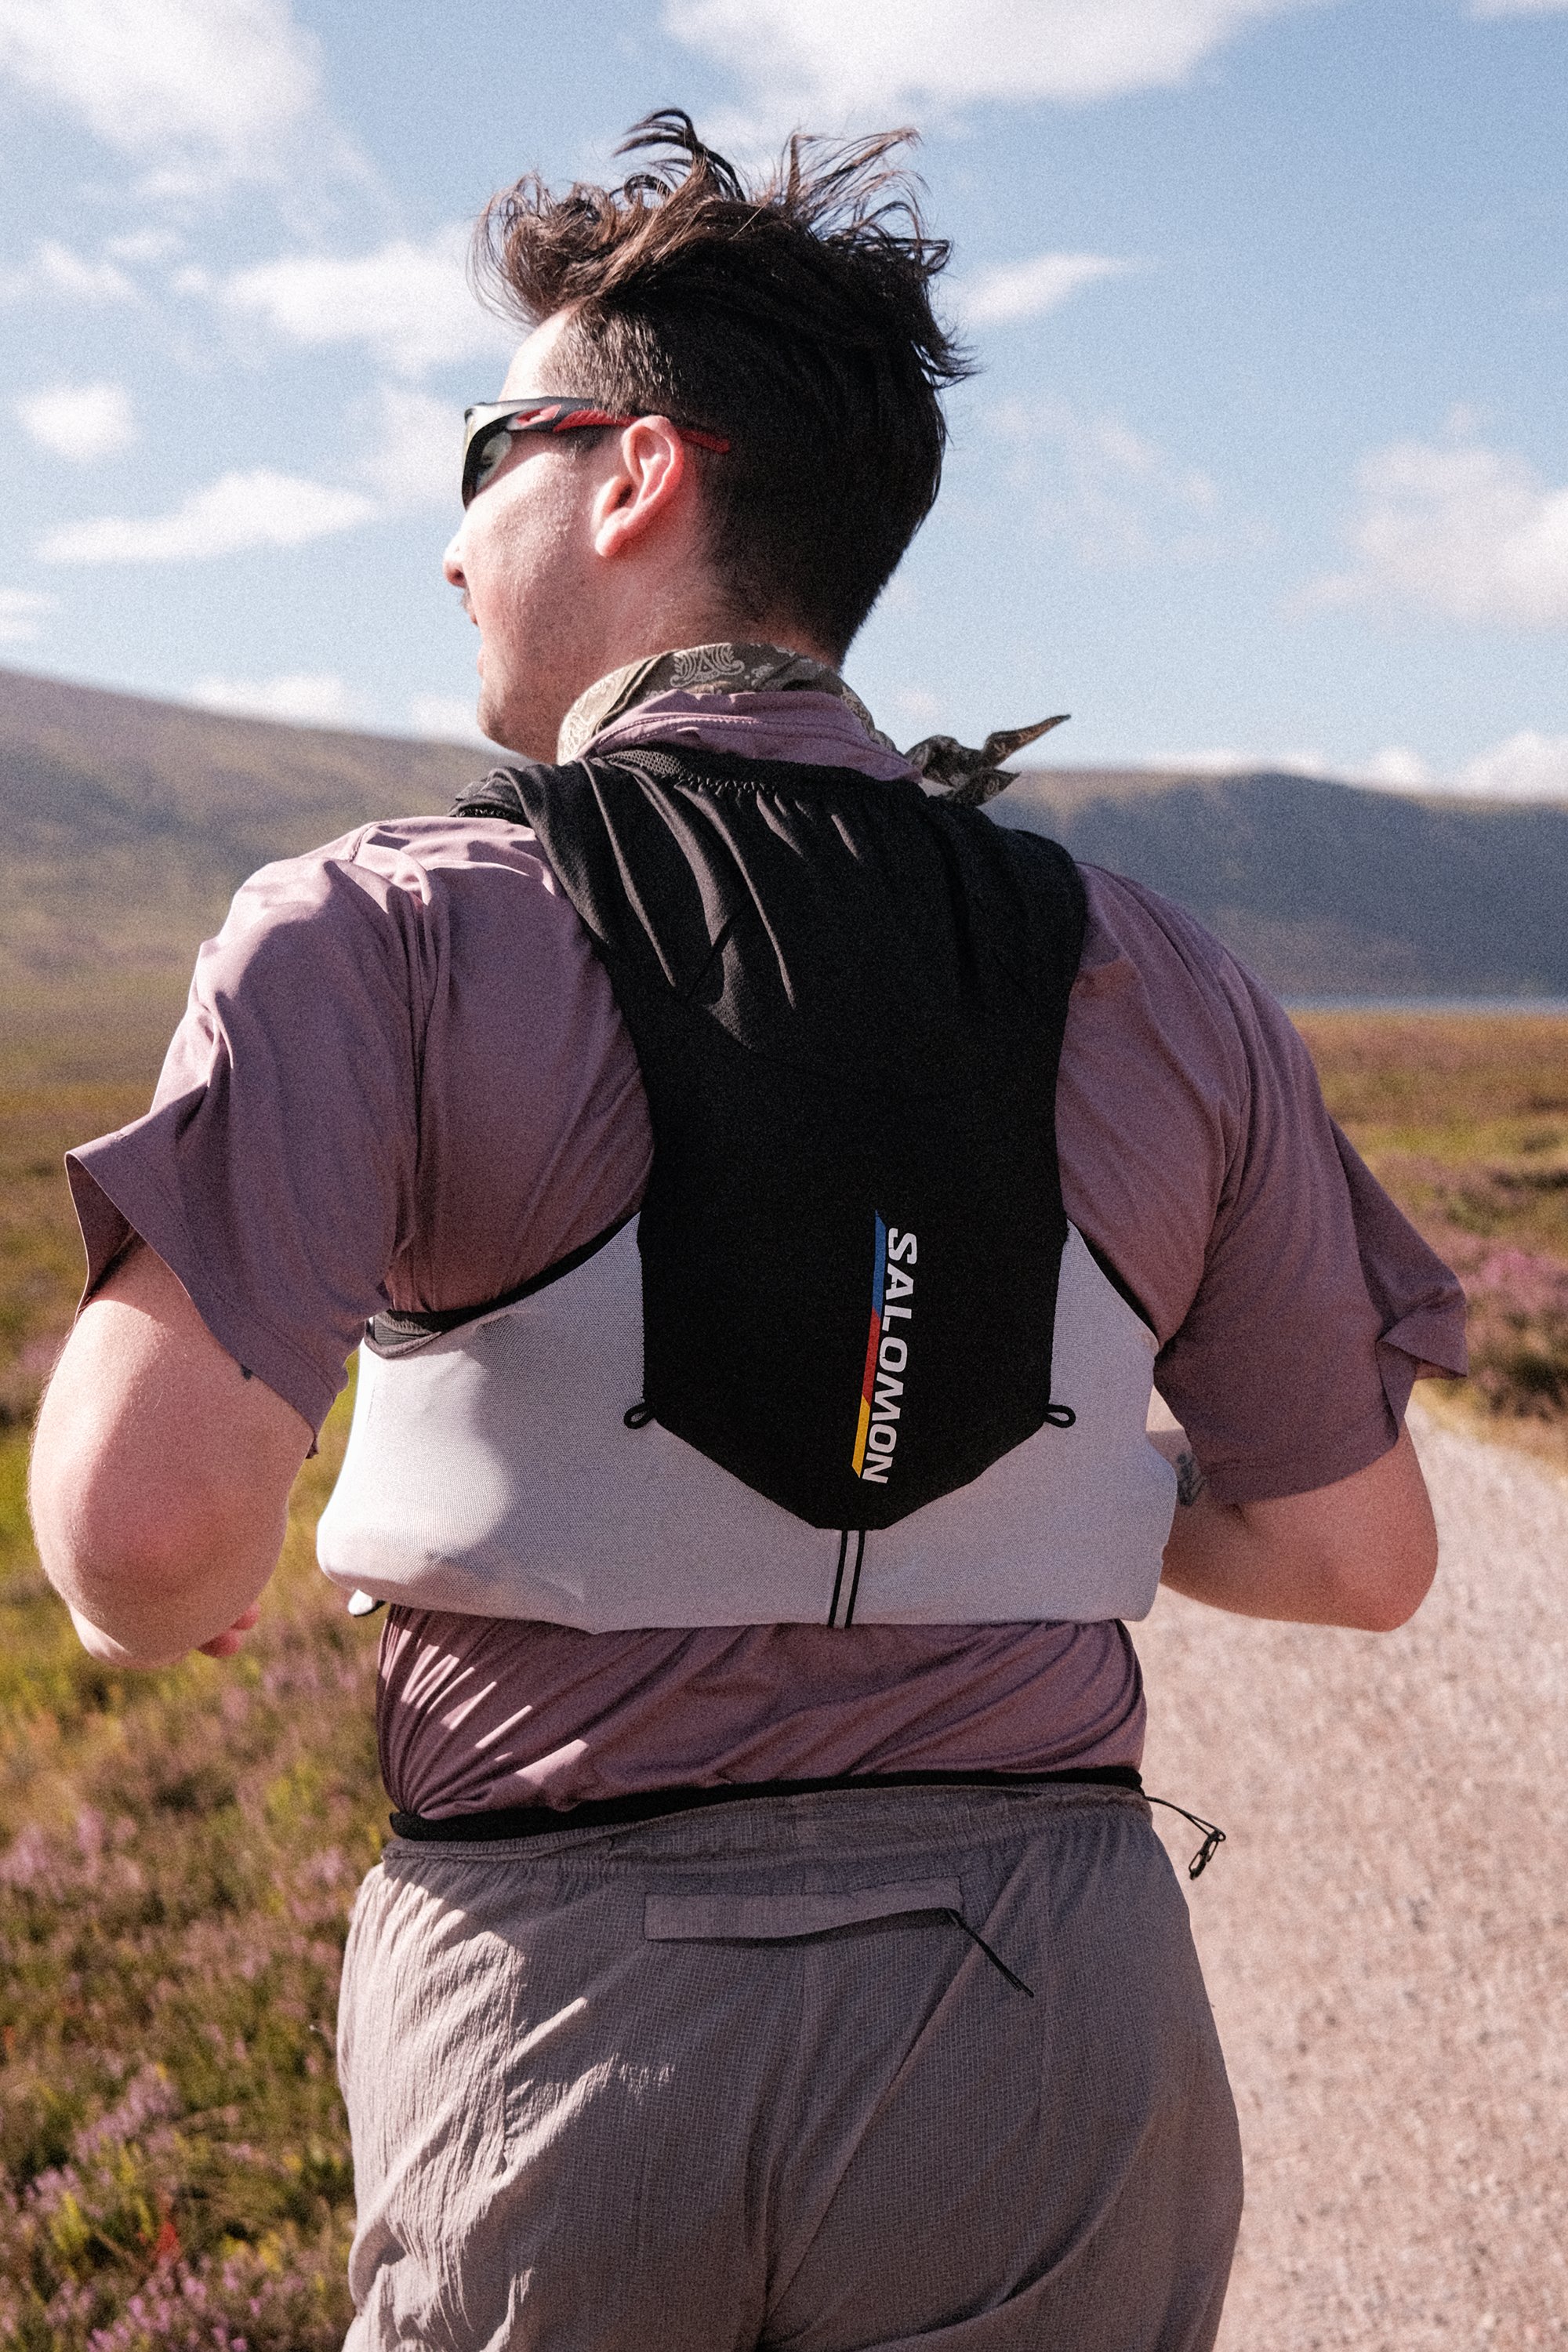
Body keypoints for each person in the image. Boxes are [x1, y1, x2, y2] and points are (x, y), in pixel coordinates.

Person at [31, 114, 1465, 2352]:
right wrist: (1058, 1465)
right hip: (1052, 2022)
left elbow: (138, 1540)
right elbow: (1366, 1561)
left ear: (635, 477)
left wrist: (170, 1589)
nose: (444, 546)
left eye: (480, 451)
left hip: (572, 2028)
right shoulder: (1170, 979)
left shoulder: (380, 936)